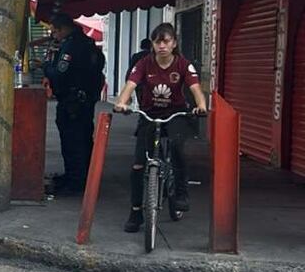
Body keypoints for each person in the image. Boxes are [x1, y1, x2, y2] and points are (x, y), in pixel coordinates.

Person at [113, 23, 207, 232]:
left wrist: (201, 106)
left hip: (175, 114)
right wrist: (122, 103)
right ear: (153, 44)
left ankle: (181, 193)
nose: (162, 45)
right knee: (138, 164)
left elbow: (195, 88)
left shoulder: (183, 65)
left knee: (177, 149)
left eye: (166, 41)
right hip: (150, 114)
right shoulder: (144, 64)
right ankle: (136, 212)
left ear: (173, 43)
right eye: (157, 41)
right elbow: (130, 84)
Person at [43, 14, 105, 196]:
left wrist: (47, 67)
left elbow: (60, 74)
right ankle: (84, 177)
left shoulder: (71, 46)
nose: (54, 36)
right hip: (86, 100)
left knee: (72, 141)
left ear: (63, 28)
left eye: (55, 32)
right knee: (85, 139)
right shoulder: (88, 43)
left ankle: (75, 180)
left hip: (72, 102)